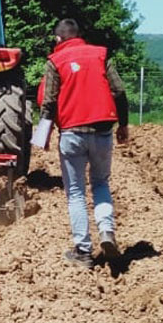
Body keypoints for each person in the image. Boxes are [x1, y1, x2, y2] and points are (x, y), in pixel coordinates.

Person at [37, 19, 130, 269]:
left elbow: (49, 101)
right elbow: (119, 91)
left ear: (58, 39)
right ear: (79, 35)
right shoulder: (100, 55)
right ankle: (107, 231)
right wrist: (123, 124)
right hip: (102, 131)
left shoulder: (55, 61)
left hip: (71, 134)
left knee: (76, 192)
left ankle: (83, 251)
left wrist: (43, 135)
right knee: (100, 183)